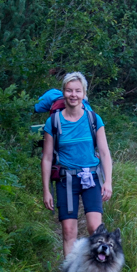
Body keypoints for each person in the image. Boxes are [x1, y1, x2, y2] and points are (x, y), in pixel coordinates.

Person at [40, 72, 113, 256]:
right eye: (69, 90)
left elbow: (104, 152)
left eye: (78, 91)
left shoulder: (94, 119)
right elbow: (47, 158)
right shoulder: (54, 122)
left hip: (91, 178)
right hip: (66, 181)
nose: (73, 95)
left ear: (84, 94)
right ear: (63, 92)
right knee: (69, 232)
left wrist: (108, 181)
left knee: (96, 228)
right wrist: (46, 190)